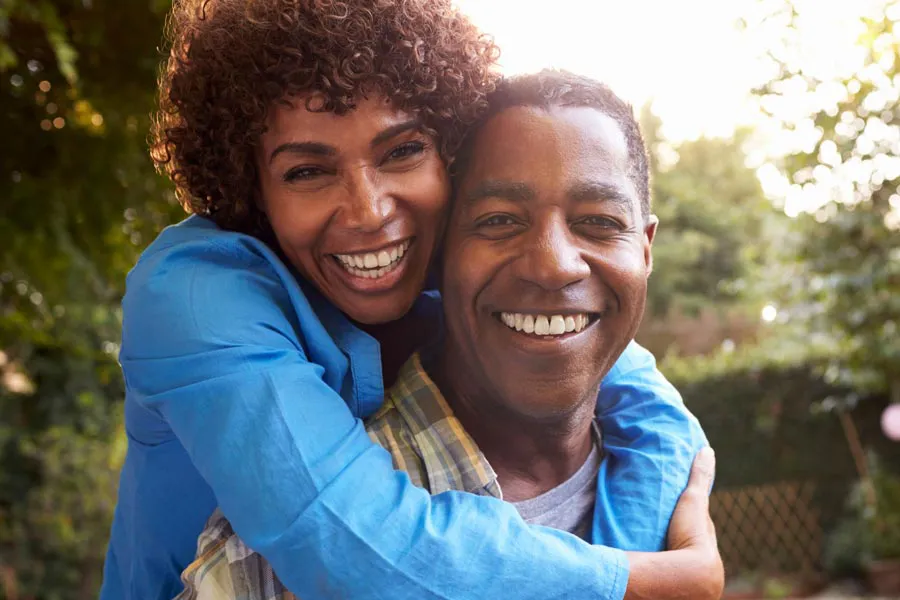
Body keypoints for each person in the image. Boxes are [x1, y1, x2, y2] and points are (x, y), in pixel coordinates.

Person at [100, 1, 711, 598]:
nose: (370, 212)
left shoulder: (445, 252)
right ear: (251, 189)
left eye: (401, 151)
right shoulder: (195, 297)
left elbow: (626, 382)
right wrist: (653, 581)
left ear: (447, 154)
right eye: (308, 171)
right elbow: (356, 548)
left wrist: (641, 541)